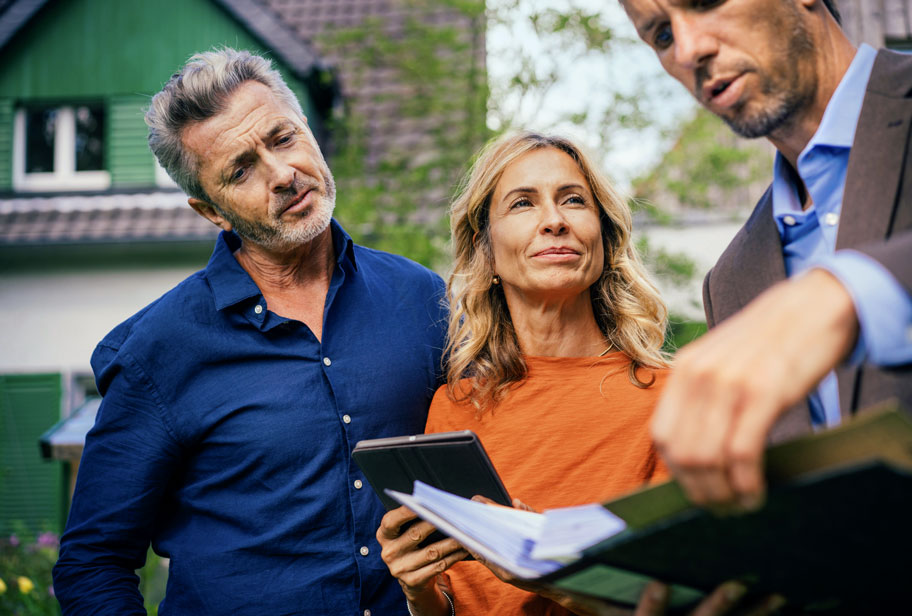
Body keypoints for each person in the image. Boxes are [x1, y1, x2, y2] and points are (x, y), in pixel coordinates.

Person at [52, 48, 448, 615]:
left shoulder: (420, 297)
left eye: (282, 138)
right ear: (210, 210)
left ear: (306, 128)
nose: (282, 174)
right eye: (241, 169)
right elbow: (92, 564)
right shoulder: (154, 353)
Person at [375, 132, 782, 616]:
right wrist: (419, 591)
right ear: (487, 252)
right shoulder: (454, 407)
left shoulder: (674, 399)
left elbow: (698, 595)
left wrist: (549, 571)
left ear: (605, 240)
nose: (554, 221)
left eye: (573, 200)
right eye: (523, 204)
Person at [620, 0, 912, 511]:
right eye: (662, 35)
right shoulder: (732, 279)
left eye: (705, 2)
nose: (690, 50)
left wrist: (846, 294)